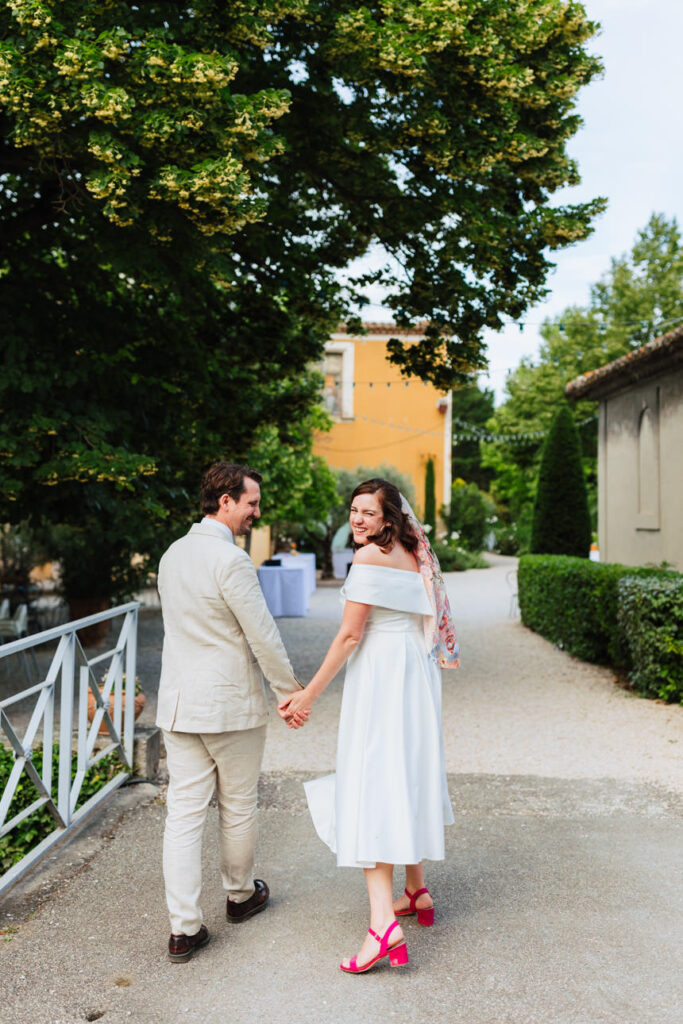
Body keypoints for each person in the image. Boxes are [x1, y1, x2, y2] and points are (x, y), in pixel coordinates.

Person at [278, 478, 458, 973]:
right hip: (414, 675)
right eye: (353, 511)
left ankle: (383, 927)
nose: (357, 519)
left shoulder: (368, 559)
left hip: (382, 674)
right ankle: (416, 891)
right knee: (404, 772)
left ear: (389, 518)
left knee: (372, 782)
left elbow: (350, 635)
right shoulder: (413, 551)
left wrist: (307, 696)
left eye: (368, 513)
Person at [156, 461, 306, 962]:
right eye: (251, 503)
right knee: (238, 803)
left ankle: (183, 929)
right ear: (225, 501)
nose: (256, 513)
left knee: (183, 814)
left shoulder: (172, 555)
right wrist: (290, 692)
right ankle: (240, 897)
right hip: (228, 707)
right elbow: (261, 633)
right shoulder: (232, 561)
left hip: (179, 705)